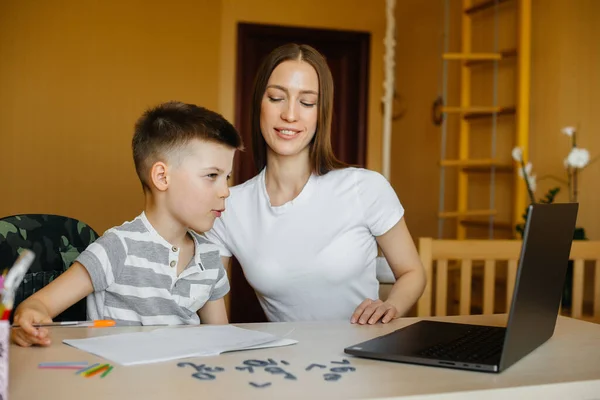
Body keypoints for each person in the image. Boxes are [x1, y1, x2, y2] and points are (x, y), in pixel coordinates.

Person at [204, 44, 426, 325]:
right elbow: (212, 306)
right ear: (258, 102)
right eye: (276, 98)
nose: (290, 115)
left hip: (363, 357)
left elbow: (412, 272)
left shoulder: (365, 188)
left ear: (322, 113)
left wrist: (391, 306)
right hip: (286, 362)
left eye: (307, 102)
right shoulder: (229, 206)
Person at [12, 101, 243, 347]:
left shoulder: (209, 257)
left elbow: (221, 340)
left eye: (226, 177)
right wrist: (31, 316)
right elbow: (39, 304)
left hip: (183, 380)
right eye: (212, 176)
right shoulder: (117, 248)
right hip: (116, 382)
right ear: (162, 177)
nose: (225, 191)